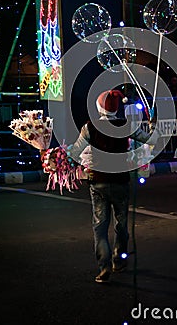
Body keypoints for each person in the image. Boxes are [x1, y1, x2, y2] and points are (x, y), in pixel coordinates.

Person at [67, 89, 160, 283]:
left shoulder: (89, 127)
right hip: (121, 181)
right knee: (121, 224)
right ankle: (119, 259)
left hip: (98, 182)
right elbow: (151, 140)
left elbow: (75, 153)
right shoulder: (126, 126)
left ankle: (104, 267)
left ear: (99, 107)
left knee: (99, 227)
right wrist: (152, 126)